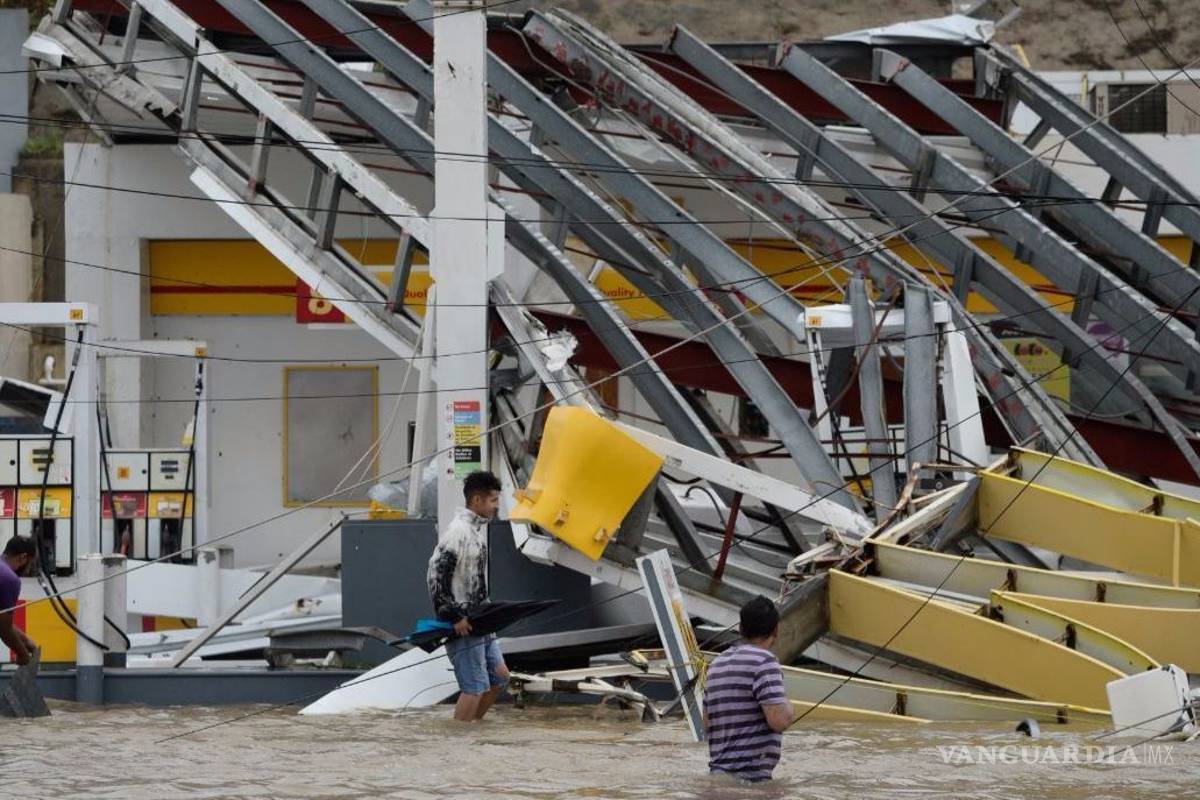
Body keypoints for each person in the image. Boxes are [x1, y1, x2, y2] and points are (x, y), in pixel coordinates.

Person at [426, 470, 510, 722]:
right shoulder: (458, 532)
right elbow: (434, 577)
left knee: (500, 677)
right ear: (477, 500)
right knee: (474, 688)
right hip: (462, 625)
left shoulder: (477, 532)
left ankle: (474, 728)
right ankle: (459, 741)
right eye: (493, 500)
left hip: (481, 621)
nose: (496, 506)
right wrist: (453, 616)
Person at [703, 595, 794, 783]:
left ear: (740, 628)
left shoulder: (716, 664)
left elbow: (706, 724)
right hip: (750, 783)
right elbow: (779, 720)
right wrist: (789, 707)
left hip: (717, 779)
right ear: (776, 629)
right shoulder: (765, 662)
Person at [0, 537, 37, 666]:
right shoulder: (9, 579)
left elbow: (2, 620)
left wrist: (25, 640)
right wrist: (23, 655)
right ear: (22, 558)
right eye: (30, 564)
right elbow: (4, 628)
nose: (28, 570)